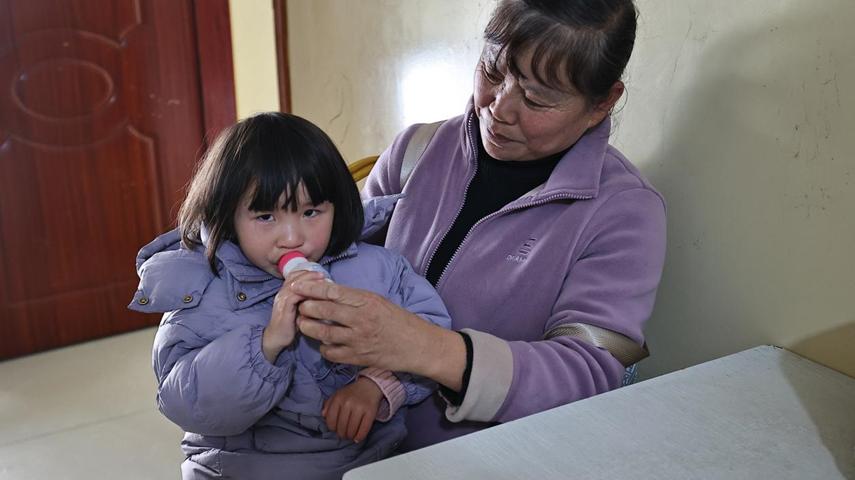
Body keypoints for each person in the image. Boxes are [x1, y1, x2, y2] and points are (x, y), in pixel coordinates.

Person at [291, 0, 667, 452]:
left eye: (537, 98)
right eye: (492, 71)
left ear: (602, 102)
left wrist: (428, 348)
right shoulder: (418, 151)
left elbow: (586, 374)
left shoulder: (622, 213)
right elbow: (326, 251)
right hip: (335, 441)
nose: (500, 107)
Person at [128, 112, 451, 479]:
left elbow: (431, 330)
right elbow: (186, 403)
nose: (293, 237)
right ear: (226, 215)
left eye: (311, 212)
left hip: (361, 462)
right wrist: (266, 344)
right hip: (237, 468)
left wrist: (377, 385)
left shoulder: (379, 267)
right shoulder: (201, 289)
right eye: (266, 217)